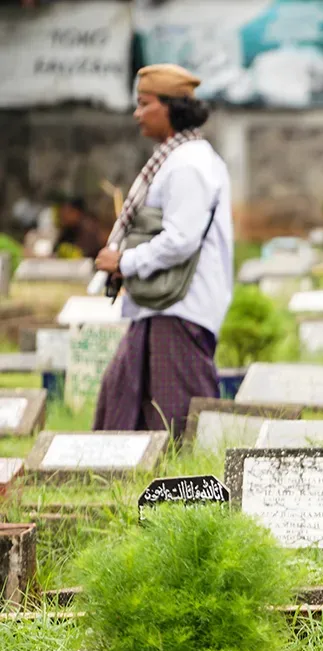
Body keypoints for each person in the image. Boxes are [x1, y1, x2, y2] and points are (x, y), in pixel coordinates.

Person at [92, 64, 233, 438]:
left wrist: (125, 261)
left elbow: (182, 238)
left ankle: (188, 493)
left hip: (180, 308)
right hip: (160, 307)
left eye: (144, 104)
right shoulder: (174, 158)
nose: (137, 114)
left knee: (176, 423)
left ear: (170, 107)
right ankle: (123, 488)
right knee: (122, 403)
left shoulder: (189, 164)